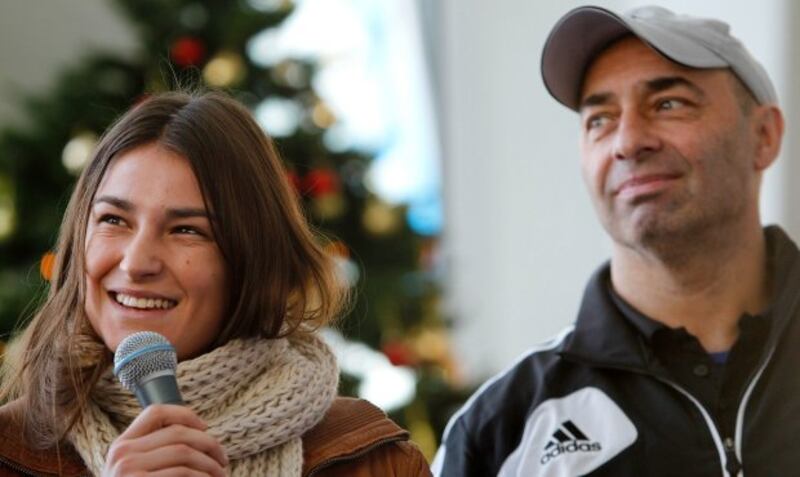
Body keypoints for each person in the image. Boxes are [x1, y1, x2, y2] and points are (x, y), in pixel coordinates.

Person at [433, 5, 795, 476]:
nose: (627, 141)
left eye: (668, 104)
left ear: (763, 135)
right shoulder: (499, 428)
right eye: (599, 119)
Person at [0, 91, 431, 476]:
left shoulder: (372, 461)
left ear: (251, 259)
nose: (136, 263)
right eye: (114, 220)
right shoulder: (10, 451)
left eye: (187, 230)